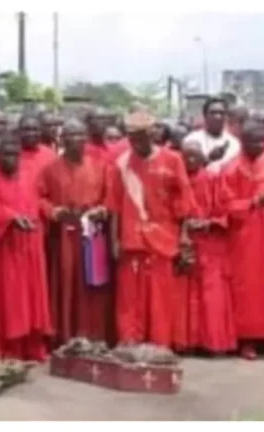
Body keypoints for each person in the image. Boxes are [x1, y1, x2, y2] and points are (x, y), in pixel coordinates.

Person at [105, 111, 195, 347]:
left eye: (142, 136)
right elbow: (113, 205)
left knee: (160, 295)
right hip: (131, 238)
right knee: (129, 296)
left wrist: (184, 237)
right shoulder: (121, 164)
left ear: (153, 134)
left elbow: (184, 203)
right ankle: (129, 340)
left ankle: (159, 343)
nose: (137, 141)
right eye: (132, 136)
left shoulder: (173, 160)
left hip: (163, 239)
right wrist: (114, 240)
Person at [39, 119, 112, 345]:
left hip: (93, 233)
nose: (76, 140)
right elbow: (40, 198)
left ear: (86, 138)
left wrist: (103, 209)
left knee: (93, 284)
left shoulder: (100, 166)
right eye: (70, 135)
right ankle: (66, 335)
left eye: (80, 134)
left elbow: (111, 197)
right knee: (67, 283)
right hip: (65, 236)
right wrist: (54, 211)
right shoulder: (50, 169)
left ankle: (94, 333)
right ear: (62, 139)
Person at [0, 131, 52, 360]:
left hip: (30, 244)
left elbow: (39, 200)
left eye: (15, 154)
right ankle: (7, 349)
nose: (11, 159)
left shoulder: (30, 174)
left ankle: (31, 347)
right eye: (6, 154)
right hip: (3, 246)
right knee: (7, 299)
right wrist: (10, 217)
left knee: (32, 297)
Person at [221, 119, 264, 360]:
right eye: (254, 142)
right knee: (246, 287)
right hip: (243, 235)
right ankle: (246, 339)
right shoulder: (231, 168)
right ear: (242, 142)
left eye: (263, 142)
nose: (259, 146)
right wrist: (252, 202)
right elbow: (225, 205)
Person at [176, 139, 237, 354]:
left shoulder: (213, 178)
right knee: (186, 295)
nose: (190, 160)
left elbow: (227, 209)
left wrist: (207, 222)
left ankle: (213, 342)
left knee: (212, 295)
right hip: (186, 243)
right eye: (186, 156)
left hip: (211, 243)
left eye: (195, 155)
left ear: (202, 157)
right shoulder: (177, 180)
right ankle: (189, 342)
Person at [184, 97, 241, 173]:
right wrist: (209, 159)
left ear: (226, 117)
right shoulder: (191, 140)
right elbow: (188, 171)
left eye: (221, 113)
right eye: (213, 113)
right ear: (205, 116)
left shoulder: (234, 143)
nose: (217, 116)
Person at [17, 115, 56, 184]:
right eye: (26, 129)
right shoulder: (9, 155)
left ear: (41, 131)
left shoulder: (51, 156)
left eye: (35, 129)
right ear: (18, 131)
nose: (31, 133)